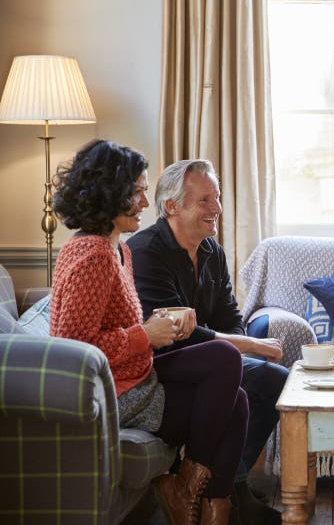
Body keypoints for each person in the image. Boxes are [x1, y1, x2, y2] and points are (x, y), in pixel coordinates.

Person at [50, 139, 247, 525]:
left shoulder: (117, 250)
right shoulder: (92, 257)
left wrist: (161, 320)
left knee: (236, 399)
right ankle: (187, 487)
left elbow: (118, 325)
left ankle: (211, 509)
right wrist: (145, 335)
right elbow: (74, 351)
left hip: (134, 376)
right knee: (224, 358)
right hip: (114, 394)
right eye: (137, 191)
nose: (145, 202)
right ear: (110, 193)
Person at [126, 159, 287, 524]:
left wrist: (242, 347)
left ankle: (229, 487)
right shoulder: (145, 251)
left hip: (213, 362)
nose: (216, 208)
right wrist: (251, 348)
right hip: (163, 363)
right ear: (171, 206)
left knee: (273, 379)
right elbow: (173, 334)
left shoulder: (213, 251)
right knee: (245, 367)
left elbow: (230, 315)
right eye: (204, 201)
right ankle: (220, 494)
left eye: (217, 198)